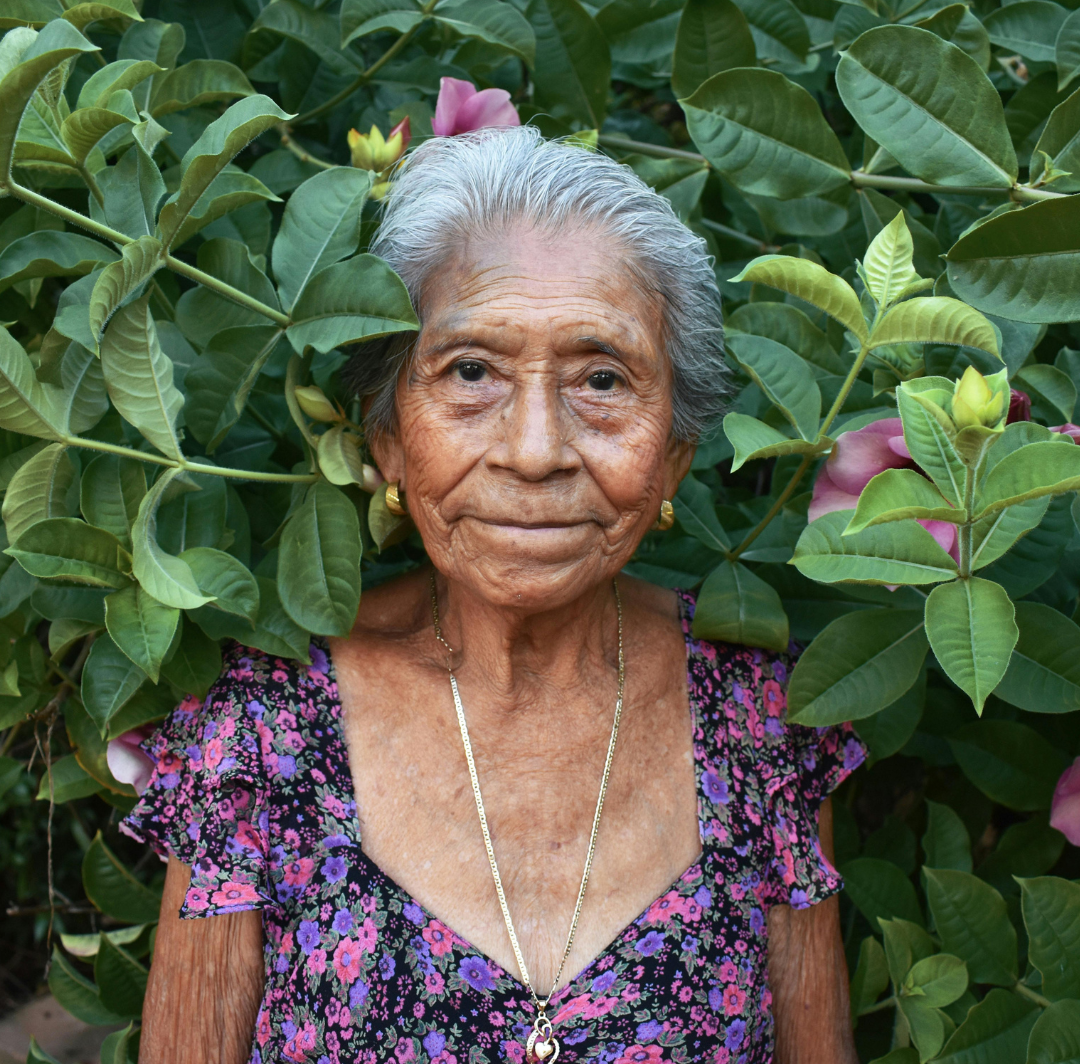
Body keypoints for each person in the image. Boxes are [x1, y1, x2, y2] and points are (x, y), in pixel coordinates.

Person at [127, 126, 865, 1064]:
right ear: (387, 437)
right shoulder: (260, 732)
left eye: (602, 379)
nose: (533, 450)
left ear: (675, 453)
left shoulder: (765, 726)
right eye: (471, 371)